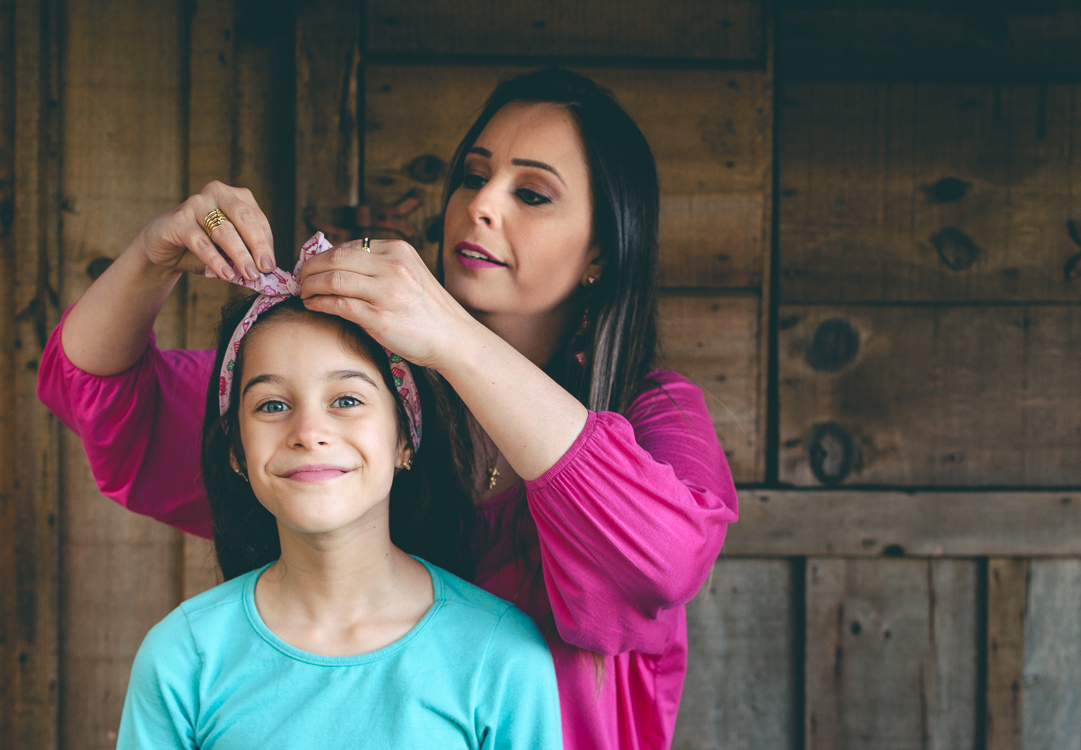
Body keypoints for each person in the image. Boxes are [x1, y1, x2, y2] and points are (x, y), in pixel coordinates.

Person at [40, 68, 738, 750]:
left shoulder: (656, 411)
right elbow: (112, 401)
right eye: (472, 175)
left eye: (532, 193)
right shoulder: (354, 390)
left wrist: (453, 338)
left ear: (601, 252)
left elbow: (659, 560)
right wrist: (152, 254)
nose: (481, 205)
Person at [117, 236, 562, 748]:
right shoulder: (184, 657)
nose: (308, 431)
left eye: (347, 399)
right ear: (236, 451)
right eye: (271, 405)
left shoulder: (499, 655)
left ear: (404, 439)